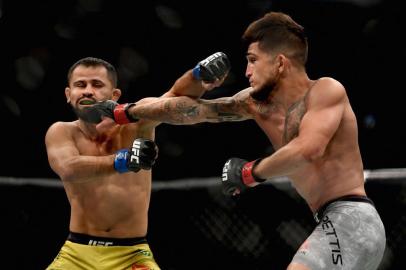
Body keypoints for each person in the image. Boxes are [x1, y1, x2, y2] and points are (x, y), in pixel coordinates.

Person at [89, 11, 387, 270]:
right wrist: (125, 112)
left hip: (353, 218)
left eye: (254, 61)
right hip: (330, 221)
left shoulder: (325, 91)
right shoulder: (255, 104)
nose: (247, 71)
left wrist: (249, 173)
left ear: (280, 63)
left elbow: (308, 149)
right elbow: (189, 109)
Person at [44, 53, 230, 270]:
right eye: (80, 84)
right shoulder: (62, 131)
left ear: (114, 94)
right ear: (68, 94)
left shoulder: (136, 123)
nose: (87, 90)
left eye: (96, 84)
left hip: (131, 255)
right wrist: (123, 161)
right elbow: (69, 168)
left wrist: (198, 76)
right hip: (76, 254)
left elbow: (174, 97)